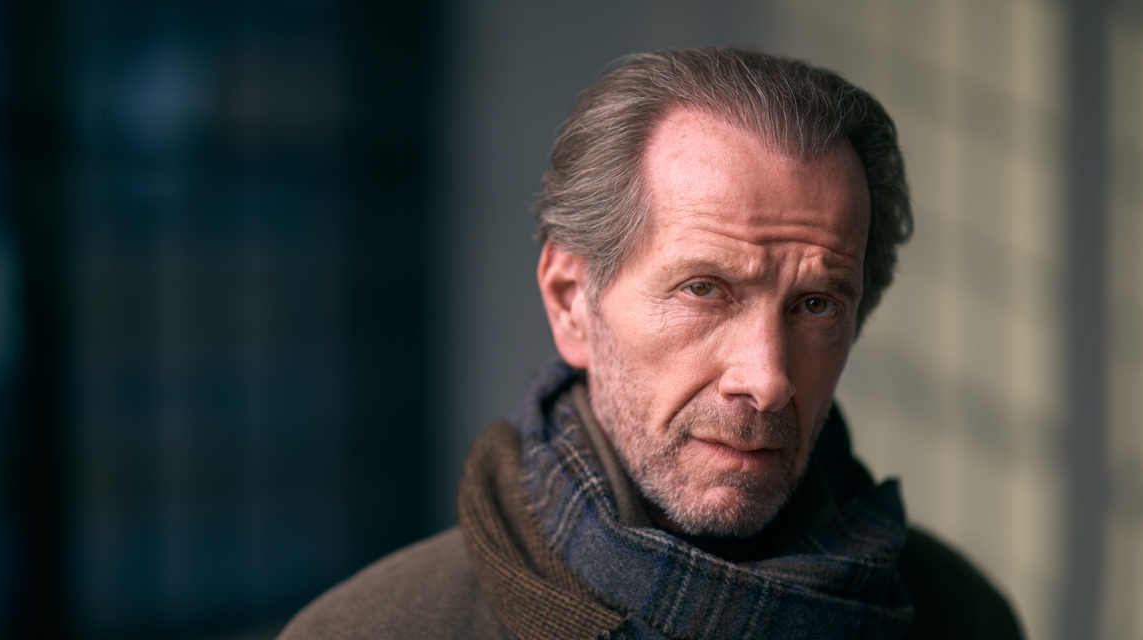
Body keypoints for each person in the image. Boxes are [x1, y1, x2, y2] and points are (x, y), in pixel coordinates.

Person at [279, 47, 1022, 640]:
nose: (767, 381)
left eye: (817, 304)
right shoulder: (372, 631)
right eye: (704, 289)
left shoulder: (958, 614)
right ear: (572, 304)